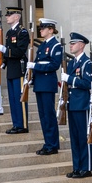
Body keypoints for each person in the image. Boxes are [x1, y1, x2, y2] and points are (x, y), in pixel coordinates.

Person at [29, 19, 63, 155]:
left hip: (48, 83)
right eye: (40, 28)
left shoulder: (55, 46)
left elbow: (54, 65)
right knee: (43, 116)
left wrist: (35, 66)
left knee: (49, 115)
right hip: (39, 83)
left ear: (50, 30)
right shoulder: (43, 45)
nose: (41, 30)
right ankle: (48, 142)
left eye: (43, 28)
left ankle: (53, 144)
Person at [63, 33, 92, 178]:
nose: (71, 45)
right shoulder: (71, 63)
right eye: (70, 43)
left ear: (81, 45)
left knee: (83, 137)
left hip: (82, 103)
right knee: (74, 137)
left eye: (74, 43)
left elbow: (88, 83)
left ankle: (86, 168)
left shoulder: (87, 63)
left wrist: (70, 79)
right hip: (72, 103)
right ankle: (77, 167)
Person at [3, 7, 30, 134]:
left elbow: (19, 51)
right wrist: (3, 62)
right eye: (7, 15)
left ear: (17, 17)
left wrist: (5, 51)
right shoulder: (9, 33)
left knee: (19, 98)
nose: (7, 17)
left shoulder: (22, 32)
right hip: (11, 69)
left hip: (19, 68)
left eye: (10, 15)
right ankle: (16, 123)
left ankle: (22, 125)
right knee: (12, 99)